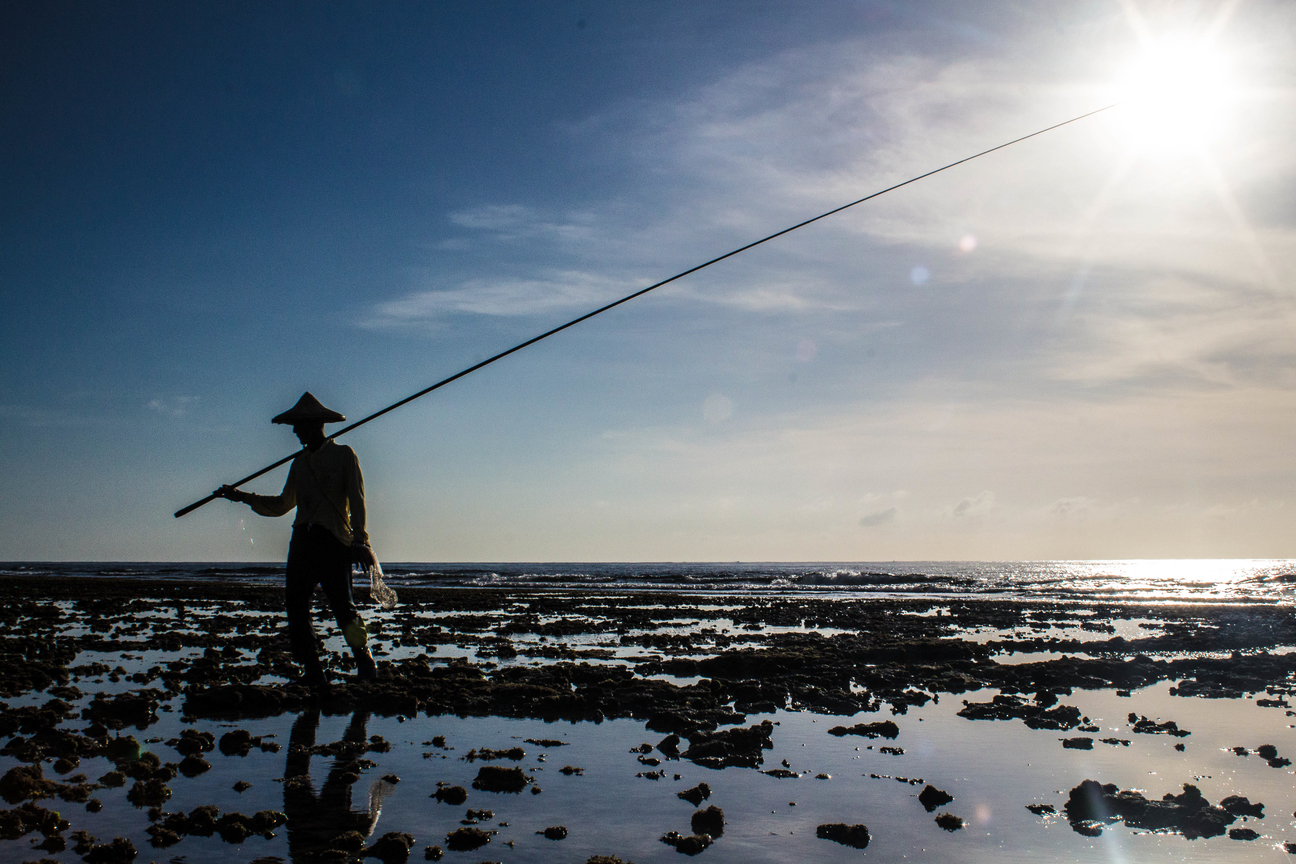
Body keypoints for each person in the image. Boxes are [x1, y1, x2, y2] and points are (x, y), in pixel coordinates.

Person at [216, 391, 379, 689]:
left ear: (315, 425)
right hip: (302, 541)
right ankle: (312, 669)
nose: (294, 431)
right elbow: (281, 505)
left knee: (344, 608)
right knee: (296, 607)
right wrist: (240, 497)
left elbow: (357, 500)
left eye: (299, 425)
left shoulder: (344, 455)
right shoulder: (299, 463)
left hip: (333, 541)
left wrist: (360, 540)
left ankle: (364, 660)